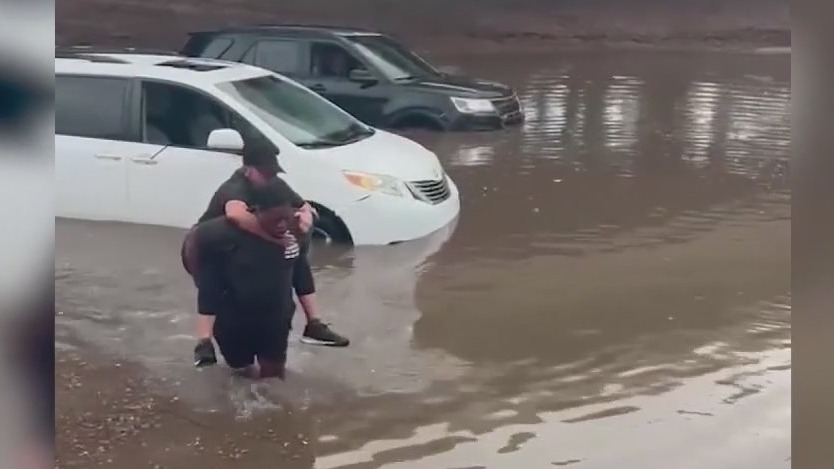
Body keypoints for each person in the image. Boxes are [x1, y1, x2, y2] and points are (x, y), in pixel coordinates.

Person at [186, 140, 350, 367]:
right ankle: (203, 341)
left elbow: (303, 206)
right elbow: (236, 216)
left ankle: (314, 323)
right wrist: (276, 239)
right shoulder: (234, 188)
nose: (269, 177)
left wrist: (305, 220)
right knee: (217, 284)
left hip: (255, 242)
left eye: (272, 172)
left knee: (295, 253)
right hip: (204, 247)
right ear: (248, 169)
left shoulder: (274, 185)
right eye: (264, 173)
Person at [183, 179, 301, 378]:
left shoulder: (296, 233)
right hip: (233, 322)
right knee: (241, 376)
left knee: (274, 380)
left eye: (286, 218)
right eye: (275, 219)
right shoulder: (219, 236)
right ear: (256, 211)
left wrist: (314, 321)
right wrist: (204, 340)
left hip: (275, 319)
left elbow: (302, 275)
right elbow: (209, 290)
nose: (282, 225)